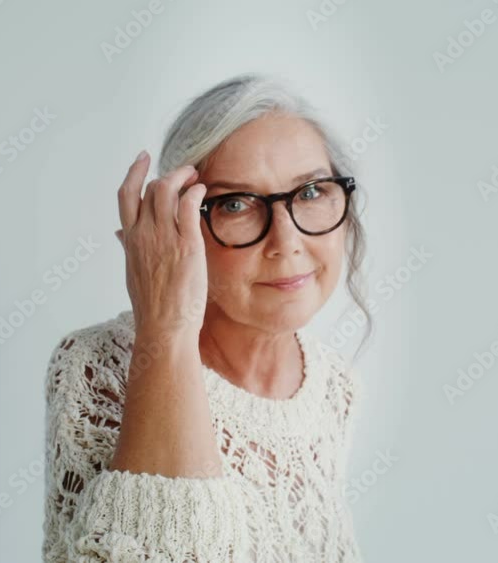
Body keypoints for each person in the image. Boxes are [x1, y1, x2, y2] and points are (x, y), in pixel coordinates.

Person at [43, 73, 372, 562]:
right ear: (177, 224)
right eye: (236, 204)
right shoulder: (97, 369)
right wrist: (166, 329)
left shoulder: (334, 388)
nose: (286, 240)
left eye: (309, 192)